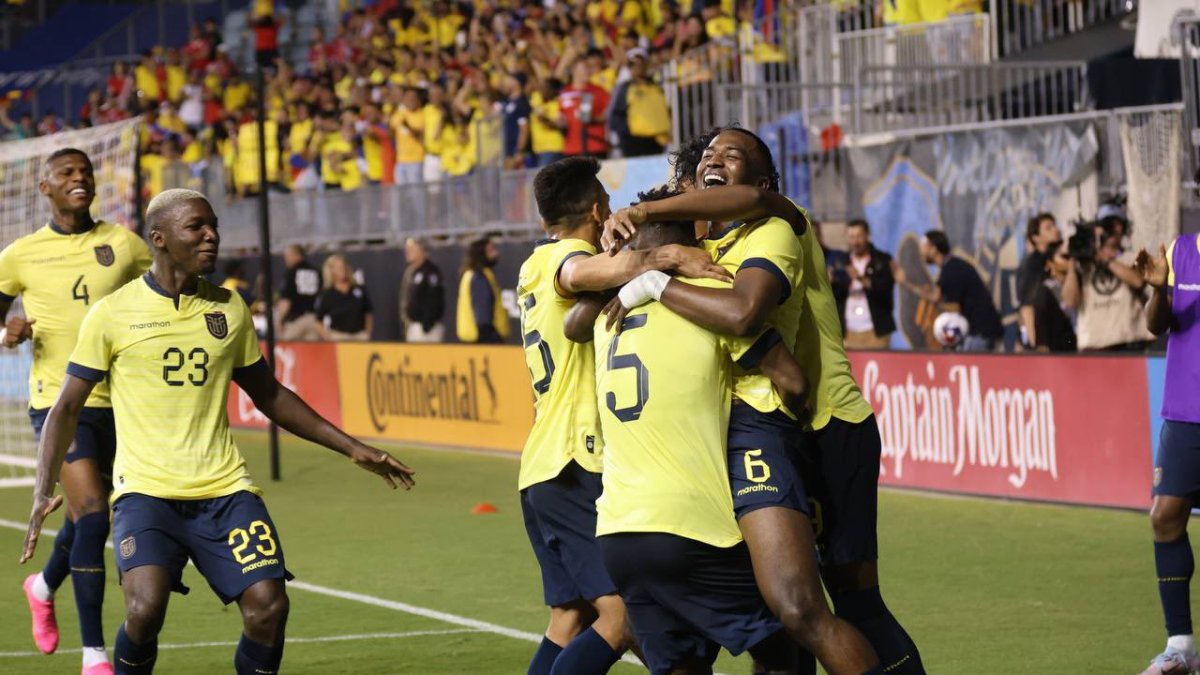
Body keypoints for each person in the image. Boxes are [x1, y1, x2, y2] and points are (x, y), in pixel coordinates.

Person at [19, 189, 416, 675]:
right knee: (144, 611)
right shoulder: (112, 313)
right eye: (196, 227)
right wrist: (42, 489)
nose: (211, 236)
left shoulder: (229, 309)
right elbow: (65, 408)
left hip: (226, 491)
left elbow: (268, 394)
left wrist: (353, 448)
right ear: (160, 239)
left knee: (269, 606)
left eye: (214, 226)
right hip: (146, 493)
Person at [602, 128, 894, 674]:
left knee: (831, 604)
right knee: (781, 614)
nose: (715, 161)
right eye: (708, 155)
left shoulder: (781, 221)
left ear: (760, 181)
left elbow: (749, 323)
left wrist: (648, 249)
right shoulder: (712, 250)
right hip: (759, 430)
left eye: (729, 156)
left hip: (826, 423)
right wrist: (636, 266)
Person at [591, 189, 812, 675]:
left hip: (617, 534)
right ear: (695, 245)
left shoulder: (604, 323)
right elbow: (793, 381)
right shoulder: (708, 310)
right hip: (688, 529)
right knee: (788, 642)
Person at [3, 148, 152, 674]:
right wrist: (6, 333)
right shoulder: (20, 254)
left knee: (83, 518)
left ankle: (42, 586)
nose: (79, 179)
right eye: (66, 173)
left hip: (121, 405)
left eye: (85, 172)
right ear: (44, 187)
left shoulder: (124, 245)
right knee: (93, 515)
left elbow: (164, 291)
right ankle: (94, 657)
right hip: (57, 405)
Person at [517, 157, 632, 675]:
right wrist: (666, 253)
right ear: (596, 208)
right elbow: (583, 272)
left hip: (544, 465)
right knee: (622, 616)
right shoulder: (563, 258)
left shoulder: (535, 262)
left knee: (570, 617)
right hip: (573, 460)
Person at [1134, 232, 1200, 675]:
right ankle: (1181, 647)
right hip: (1186, 407)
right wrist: (1159, 289)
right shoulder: (1181, 251)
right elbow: (1156, 327)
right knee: (1165, 516)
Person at [1062, 207, 1154, 351]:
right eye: (1107, 224)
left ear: (1124, 228)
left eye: (1117, 224)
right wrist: (1074, 261)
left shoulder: (1131, 257)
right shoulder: (1084, 266)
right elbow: (1069, 302)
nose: (1112, 229)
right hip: (1094, 345)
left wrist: (1105, 258)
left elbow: (1138, 281)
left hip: (1128, 342)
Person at [895, 230, 1003, 352]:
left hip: (980, 333)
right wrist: (906, 283)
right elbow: (935, 295)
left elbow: (949, 305)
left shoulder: (953, 270)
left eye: (924, 248)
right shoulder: (950, 268)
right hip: (978, 332)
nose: (921, 253)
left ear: (934, 248)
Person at [839, 219, 896, 350]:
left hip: (875, 331)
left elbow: (885, 289)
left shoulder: (882, 260)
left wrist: (859, 278)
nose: (855, 242)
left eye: (859, 236)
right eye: (852, 237)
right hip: (848, 331)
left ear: (867, 236)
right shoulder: (842, 261)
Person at [608, 48, 671, 158]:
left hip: (658, 142)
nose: (638, 67)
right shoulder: (624, 88)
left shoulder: (656, 87)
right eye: (633, 64)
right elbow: (615, 117)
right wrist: (629, 136)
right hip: (634, 143)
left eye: (641, 64)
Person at [1017, 213, 1060, 349]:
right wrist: (1037, 344)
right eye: (1048, 228)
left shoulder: (1056, 258)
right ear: (1035, 237)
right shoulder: (1033, 264)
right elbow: (1027, 306)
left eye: (1054, 225)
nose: (1055, 230)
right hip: (1043, 339)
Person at [456, 236, 509, 344]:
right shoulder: (479, 277)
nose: (496, 253)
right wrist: (493, 338)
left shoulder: (470, 274)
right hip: (482, 341)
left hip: (473, 338)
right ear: (481, 253)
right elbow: (482, 316)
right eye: (491, 250)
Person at [314, 254, 373, 341]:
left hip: (359, 336)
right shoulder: (327, 294)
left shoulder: (358, 290)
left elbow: (368, 313)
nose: (342, 270)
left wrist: (367, 333)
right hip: (338, 336)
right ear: (331, 271)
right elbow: (318, 321)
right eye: (338, 268)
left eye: (343, 266)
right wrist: (328, 336)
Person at [1030, 240, 1076, 352]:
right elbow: (1041, 338)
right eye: (1063, 256)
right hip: (1058, 356)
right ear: (1050, 263)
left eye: (1070, 256)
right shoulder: (1045, 291)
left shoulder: (1080, 284)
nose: (1068, 260)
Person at [559, 61, 609, 158]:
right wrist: (560, 122)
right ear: (574, 71)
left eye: (588, 68)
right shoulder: (564, 93)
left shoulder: (598, 91)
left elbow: (608, 114)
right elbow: (561, 115)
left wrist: (593, 119)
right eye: (584, 68)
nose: (588, 71)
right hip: (572, 148)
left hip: (595, 146)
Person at [399, 237, 445, 343]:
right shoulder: (410, 272)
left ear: (422, 251)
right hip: (412, 327)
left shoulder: (430, 272)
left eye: (412, 249)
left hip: (426, 330)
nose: (408, 252)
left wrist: (427, 325)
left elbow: (435, 300)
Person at [276, 244, 322, 341]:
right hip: (314, 319)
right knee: (311, 351)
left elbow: (286, 300)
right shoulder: (316, 271)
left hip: (296, 320)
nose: (286, 260)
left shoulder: (291, 272)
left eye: (287, 256)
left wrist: (279, 320)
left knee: (286, 348)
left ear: (296, 255)